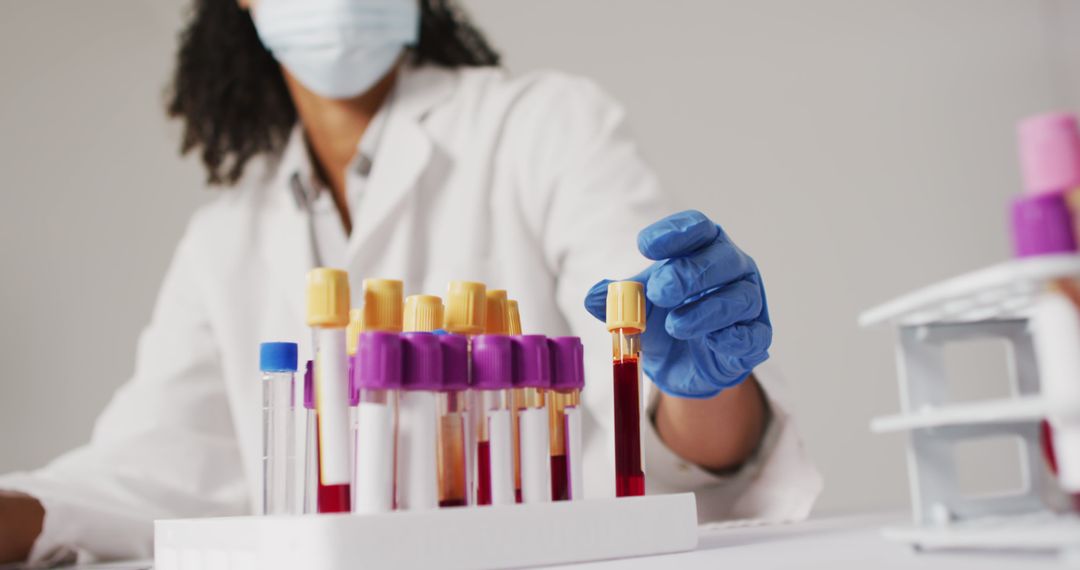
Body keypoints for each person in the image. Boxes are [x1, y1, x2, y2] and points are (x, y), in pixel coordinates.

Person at [0, 0, 821, 563]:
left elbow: (686, 429)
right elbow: (146, 469)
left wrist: (706, 370)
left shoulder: (544, 127)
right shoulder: (226, 234)